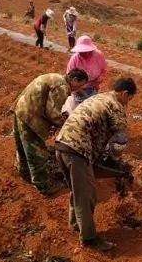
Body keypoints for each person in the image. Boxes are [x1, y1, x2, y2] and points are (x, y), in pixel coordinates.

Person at [55, 77, 136, 250]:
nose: (128, 103)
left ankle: (75, 224)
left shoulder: (99, 97)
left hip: (62, 144)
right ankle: (90, 239)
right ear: (125, 94)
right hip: (77, 149)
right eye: (130, 99)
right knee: (87, 194)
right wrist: (116, 162)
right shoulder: (116, 106)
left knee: (78, 190)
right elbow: (120, 140)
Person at [11, 69, 89, 195]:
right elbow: (54, 114)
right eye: (79, 85)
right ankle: (43, 185)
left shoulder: (56, 77)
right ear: (74, 79)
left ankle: (23, 171)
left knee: (22, 145)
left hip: (21, 109)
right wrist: (68, 127)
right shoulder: (62, 87)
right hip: (31, 117)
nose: (77, 89)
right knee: (36, 152)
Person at [66, 35, 108, 102]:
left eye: (85, 52)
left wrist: (97, 82)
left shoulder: (99, 56)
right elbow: (69, 77)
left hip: (92, 87)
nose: (82, 53)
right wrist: (78, 90)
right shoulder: (75, 58)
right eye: (80, 52)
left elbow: (104, 71)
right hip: (77, 89)